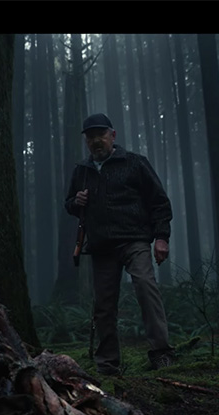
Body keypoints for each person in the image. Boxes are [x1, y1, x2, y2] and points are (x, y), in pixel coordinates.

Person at [65, 113, 175, 374]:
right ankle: (107, 364)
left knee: (146, 287)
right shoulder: (82, 170)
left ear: (112, 135)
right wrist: (76, 202)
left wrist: (161, 237)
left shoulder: (135, 163)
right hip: (101, 246)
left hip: (134, 239)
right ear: (86, 141)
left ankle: (161, 353)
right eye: (91, 137)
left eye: (101, 135)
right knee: (103, 306)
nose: (96, 141)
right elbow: (69, 204)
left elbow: (159, 202)